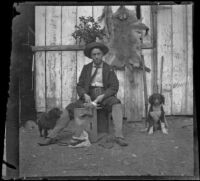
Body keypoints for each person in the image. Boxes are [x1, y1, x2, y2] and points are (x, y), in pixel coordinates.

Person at [38, 42, 128, 147]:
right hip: (88, 96)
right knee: (69, 108)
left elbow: (114, 87)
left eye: (98, 54)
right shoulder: (86, 68)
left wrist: (102, 96)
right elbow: (79, 85)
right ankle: (51, 136)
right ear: (91, 56)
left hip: (104, 96)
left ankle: (119, 136)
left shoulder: (109, 68)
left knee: (116, 104)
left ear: (102, 54)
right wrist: (84, 94)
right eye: (94, 55)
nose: (96, 56)